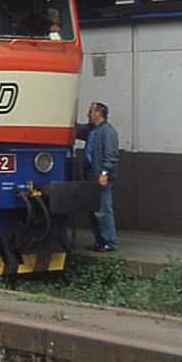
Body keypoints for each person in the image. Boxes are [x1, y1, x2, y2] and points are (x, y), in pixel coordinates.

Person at [75, 101, 119, 251]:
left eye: (91, 111)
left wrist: (104, 173)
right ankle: (100, 241)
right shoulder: (92, 130)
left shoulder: (108, 131)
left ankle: (109, 242)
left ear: (99, 113)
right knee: (93, 209)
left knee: (103, 209)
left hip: (99, 174)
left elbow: (112, 154)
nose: (89, 114)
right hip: (90, 173)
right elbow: (76, 130)